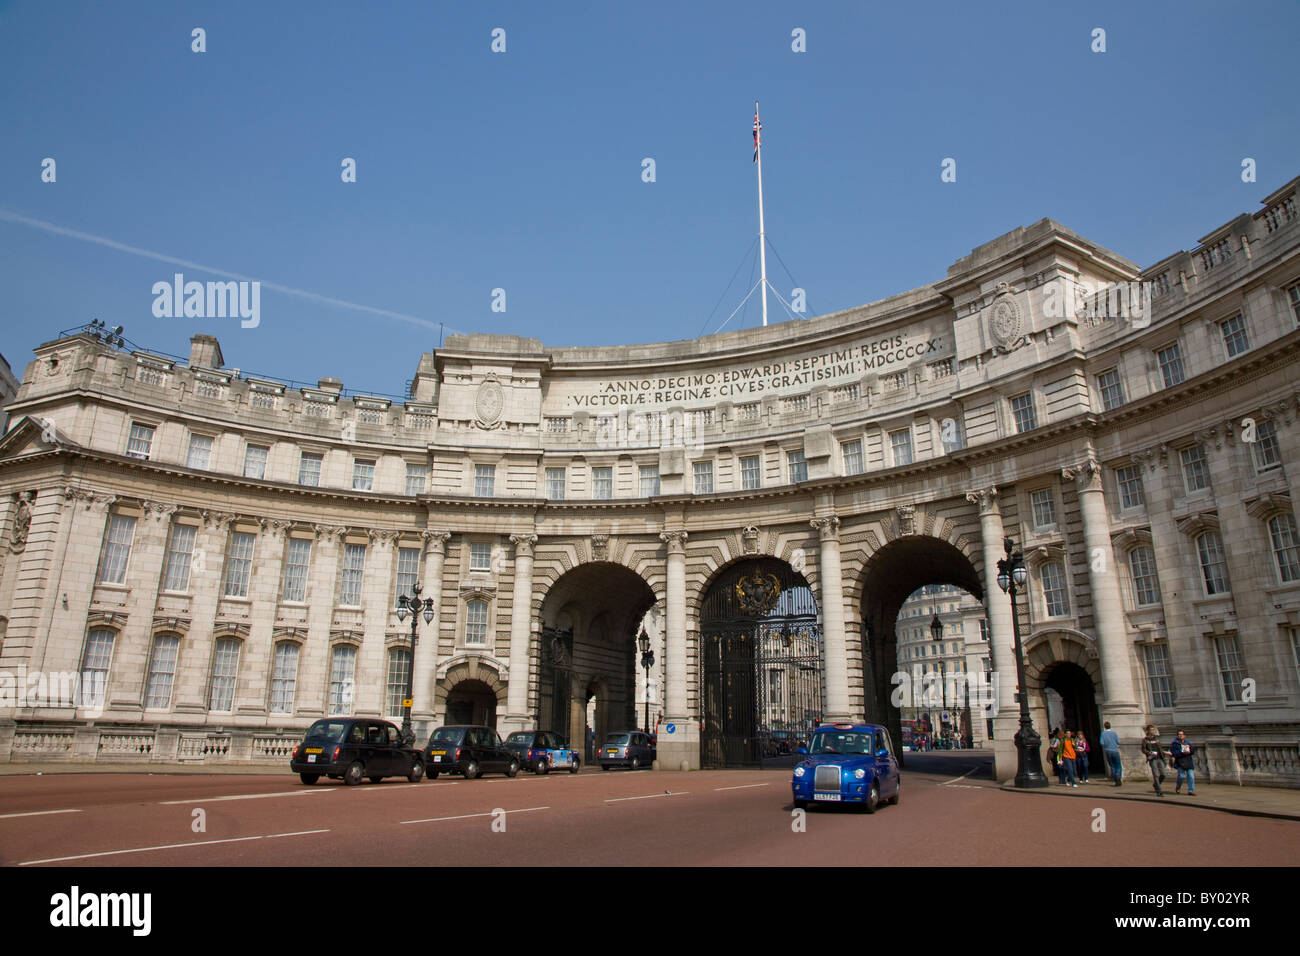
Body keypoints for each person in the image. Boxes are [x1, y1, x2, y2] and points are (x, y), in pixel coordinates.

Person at [1141, 725, 1167, 797]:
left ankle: (1156, 784)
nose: (1152, 731)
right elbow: (1143, 749)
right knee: (1155, 774)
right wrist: (1149, 753)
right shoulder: (1145, 740)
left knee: (1163, 774)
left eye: (1153, 730)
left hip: (1159, 757)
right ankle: (1159, 791)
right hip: (1152, 759)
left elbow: (1160, 748)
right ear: (1148, 731)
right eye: (1151, 730)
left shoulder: (1157, 738)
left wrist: (1163, 755)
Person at [1169, 730, 1197, 795]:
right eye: (1179, 734)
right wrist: (1182, 752)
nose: (1180, 736)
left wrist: (1190, 751)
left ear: (1184, 736)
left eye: (1181, 734)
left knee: (1191, 776)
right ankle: (1178, 787)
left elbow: (1192, 750)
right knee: (1181, 776)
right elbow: (1173, 753)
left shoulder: (1187, 743)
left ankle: (1191, 790)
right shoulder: (1174, 744)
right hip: (1180, 762)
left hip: (1188, 761)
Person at [1100, 720, 1123, 786]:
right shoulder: (1114, 733)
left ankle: (1115, 778)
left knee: (1112, 765)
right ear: (1110, 726)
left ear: (1104, 727)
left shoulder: (1103, 734)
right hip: (1115, 750)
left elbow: (1102, 742)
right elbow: (1118, 741)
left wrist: (1106, 745)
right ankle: (1118, 776)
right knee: (1118, 765)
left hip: (1108, 751)